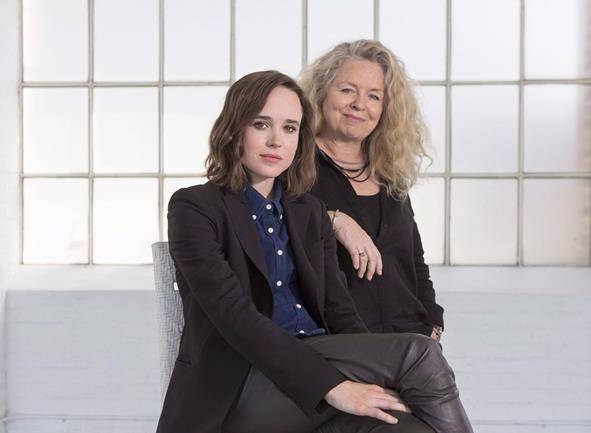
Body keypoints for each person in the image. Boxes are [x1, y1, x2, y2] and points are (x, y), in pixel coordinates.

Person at [156, 70, 473, 433]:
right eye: (262, 124)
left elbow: (341, 312)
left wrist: (375, 371)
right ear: (233, 129)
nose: (276, 140)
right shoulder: (194, 207)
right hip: (241, 384)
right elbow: (235, 318)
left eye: (290, 128)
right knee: (418, 353)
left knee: (407, 427)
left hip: (320, 367)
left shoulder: (307, 212)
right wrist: (334, 387)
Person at [299, 40, 444, 340]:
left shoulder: (389, 171)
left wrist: (432, 320)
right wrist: (333, 219)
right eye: (347, 90)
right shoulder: (296, 164)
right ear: (321, 93)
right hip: (343, 343)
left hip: (412, 339)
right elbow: (274, 224)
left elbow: (413, 258)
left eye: (374, 96)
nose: (359, 104)